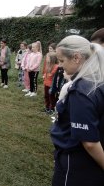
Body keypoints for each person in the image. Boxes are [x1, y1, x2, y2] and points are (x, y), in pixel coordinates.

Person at [50, 35, 104, 186]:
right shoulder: (98, 82)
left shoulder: (81, 91)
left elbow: (90, 143)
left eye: (61, 61)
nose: (59, 66)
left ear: (76, 58)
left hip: (75, 164)